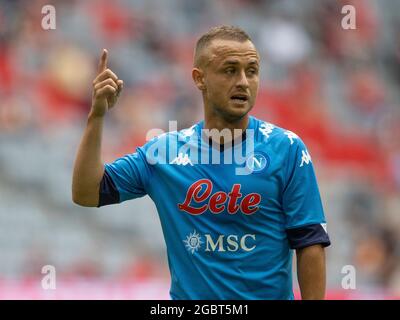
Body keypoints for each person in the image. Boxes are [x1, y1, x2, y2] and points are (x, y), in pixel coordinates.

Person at [72, 25, 331, 300]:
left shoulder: (287, 149)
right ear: (199, 78)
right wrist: (97, 116)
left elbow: (310, 243)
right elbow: (87, 193)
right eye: (230, 70)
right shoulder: (164, 153)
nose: (243, 81)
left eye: (252, 71)